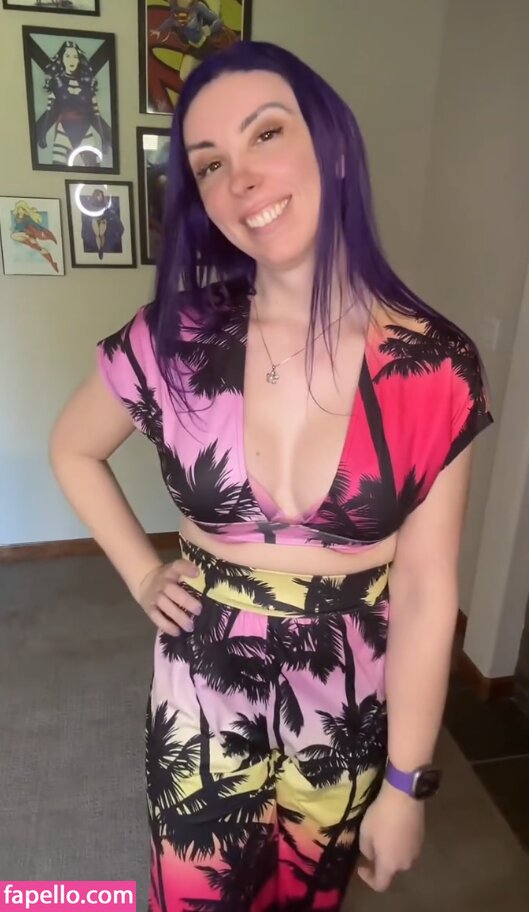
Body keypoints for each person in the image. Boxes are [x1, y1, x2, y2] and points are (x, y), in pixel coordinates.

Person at [49, 40, 493, 911]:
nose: (240, 179)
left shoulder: (436, 367)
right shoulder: (172, 337)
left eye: (265, 134)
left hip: (347, 690)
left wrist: (407, 784)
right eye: (209, 164)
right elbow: (73, 448)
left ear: (332, 145)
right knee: (195, 892)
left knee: (308, 897)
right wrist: (141, 573)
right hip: (201, 679)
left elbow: (426, 588)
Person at [37, 41, 110, 168]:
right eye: (67, 56)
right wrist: (42, 134)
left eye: (75, 57)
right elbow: (49, 110)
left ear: (79, 60)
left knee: (95, 170)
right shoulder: (56, 82)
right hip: (63, 134)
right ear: (62, 59)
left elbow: (96, 113)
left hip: (86, 134)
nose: (72, 60)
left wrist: (104, 139)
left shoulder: (88, 83)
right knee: (57, 171)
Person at [10, 200, 59, 273]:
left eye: (22, 209)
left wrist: (43, 231)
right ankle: (30, 241)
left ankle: (52, 263)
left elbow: (36, 225)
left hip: (30, 234)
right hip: (24, 235)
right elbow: (18, 227)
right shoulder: (16, 218)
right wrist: (14, 229)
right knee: (13, 236)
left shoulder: (27, 218)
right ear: (17, 210)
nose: (20, 211)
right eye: (19, 209)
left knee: (39, 248)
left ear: (24, 210)